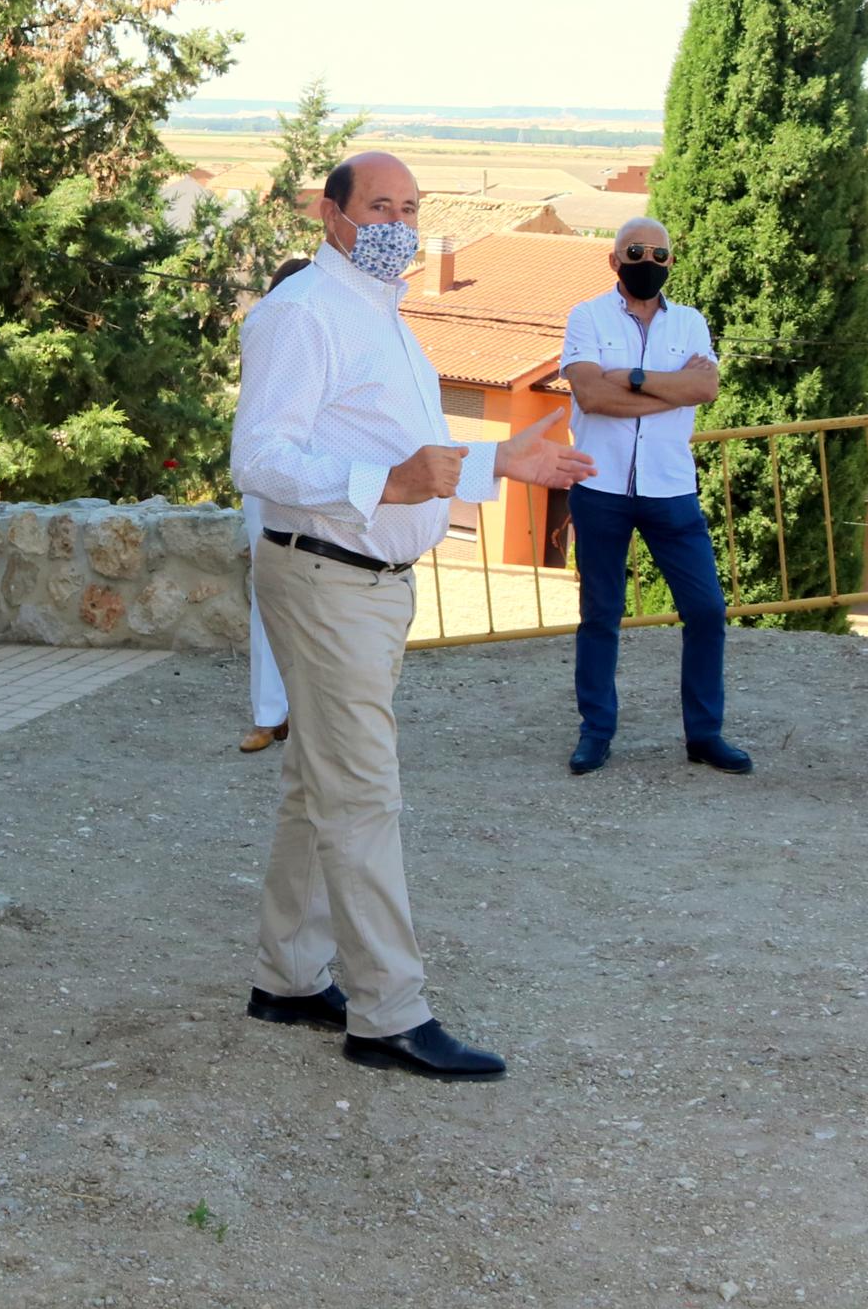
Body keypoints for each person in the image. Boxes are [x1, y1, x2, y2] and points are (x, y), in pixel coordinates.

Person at [229, 152, 594, 1081]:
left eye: (410, 207)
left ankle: (289, 974)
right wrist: (383, 483)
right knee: (362, 794)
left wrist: (499, 464)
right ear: (332, 213)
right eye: (379, 205)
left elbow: (406, 454)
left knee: (322, 786)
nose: (397, 221)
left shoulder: (381, 315)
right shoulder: (302, 314)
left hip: (370, 583)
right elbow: (261, 460)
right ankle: (389, 1014)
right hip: (327, 579)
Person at [557, 217, 751, 777]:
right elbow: (590, 395)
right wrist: (670, 388)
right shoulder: (587, 316)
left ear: (670, 263)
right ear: (614, 259)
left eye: (660, 255)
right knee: (600, 615)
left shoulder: (690, 323)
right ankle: (596, 732)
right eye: (636, 252)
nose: (649, 262)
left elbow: (706, 388)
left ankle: (705, 734)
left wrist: (633, 378)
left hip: (670, 489)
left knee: (707, 611)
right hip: (600, 487)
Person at [238, 255, 314, 754]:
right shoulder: (264, 328)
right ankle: (271, 715)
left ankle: (309, 716)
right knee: (268, 598)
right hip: (269, 480)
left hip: (321, 481)